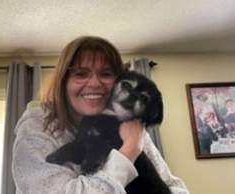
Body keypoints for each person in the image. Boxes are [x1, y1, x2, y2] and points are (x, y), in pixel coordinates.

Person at [12, 36, 189, 194]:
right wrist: (129, 150)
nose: (95, 83)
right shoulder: (37, 127)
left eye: (106, 74)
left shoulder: (128, 124)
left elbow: (172, 185)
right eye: (81, 74)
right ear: (63, 82)